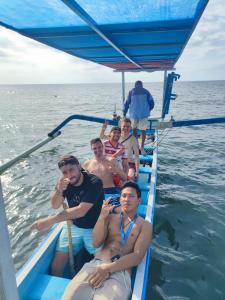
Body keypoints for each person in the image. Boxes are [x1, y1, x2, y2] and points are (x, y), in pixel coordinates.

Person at [61, 181, 152, 300]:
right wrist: (102, 217)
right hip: (96, 265)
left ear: (139, 200)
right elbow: (96, 242)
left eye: (131, 196)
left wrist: (108, 269)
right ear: (119, 200)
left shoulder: (145, 225)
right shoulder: (109, 218)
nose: (126, 199)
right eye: (124, 196)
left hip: (120, 271)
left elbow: (137, 256)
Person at [32, 155, 104, 276]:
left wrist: (48, 221)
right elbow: (55, 205)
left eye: (71, 170)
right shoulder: (64, 183)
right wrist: (59, 191)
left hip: (94, 228)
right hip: (73, 226)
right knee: (56, 266)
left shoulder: (94, 182)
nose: (69, 175)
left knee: (102, 264)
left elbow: (81, 211)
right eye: (64, 172)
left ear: (79, 166)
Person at [123, 80, 154, 154]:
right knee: (143, 131)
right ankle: (142, 147)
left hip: (133, 114)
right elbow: (152, 103)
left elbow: (126, 103)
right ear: (142, 85)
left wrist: (124, 112)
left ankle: (136, 145)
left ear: (135, 85)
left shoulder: (131, 92)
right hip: (144, 114)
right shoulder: (146, 91)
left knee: (134, 130)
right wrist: (147, 110)